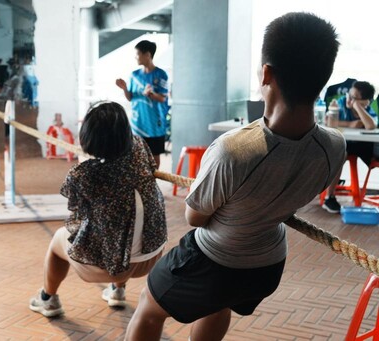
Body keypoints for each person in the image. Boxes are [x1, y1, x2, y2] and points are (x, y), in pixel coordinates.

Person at [125, 12, 346, 341]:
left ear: (266, 73)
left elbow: (196, 217)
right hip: (267, 269)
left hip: (215, 261)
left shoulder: (234, 151)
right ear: (323, 79)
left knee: (148, 307)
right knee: (219, 305)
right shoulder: (334, 147)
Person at [28, 101, 167, 317]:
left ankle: (48, 299)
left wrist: (87, 161)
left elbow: (78, 216)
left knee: (59, 240)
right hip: (152, 256)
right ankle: (118, 290)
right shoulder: (139, 146)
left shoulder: (82, 175)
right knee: (123, 221)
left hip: (108, 267)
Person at [323, 81, 377, 213]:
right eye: (349, 95)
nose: (349, 99)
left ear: (366, 102)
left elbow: (371, 125)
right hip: (344, 143)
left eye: (354, 98)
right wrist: (351, 124)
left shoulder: (368, 109)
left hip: (364, 146)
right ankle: (329, 197)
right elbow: (327, 121)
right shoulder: (340, 103)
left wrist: (359, 108)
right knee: (340, 153)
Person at [116, 40, 169, 169]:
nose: (136, 57)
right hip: (137, 123)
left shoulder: (161, 74)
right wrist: (124, 89)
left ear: (147, 55)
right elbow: (130, 98)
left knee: (154, 156)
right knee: (135, 154)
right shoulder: (134, 75)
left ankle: (151, 183)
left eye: (138, 54)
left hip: (154, 124)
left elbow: (162, 98)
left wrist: (150, 94)